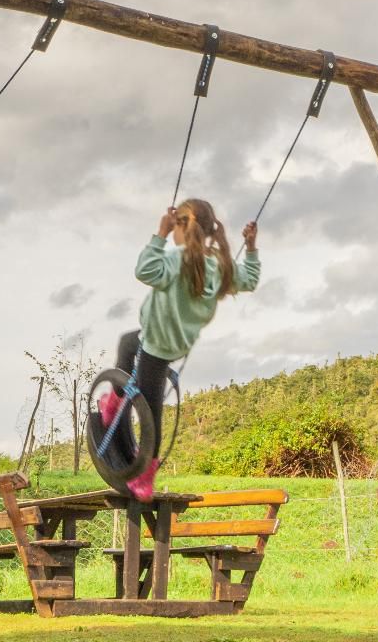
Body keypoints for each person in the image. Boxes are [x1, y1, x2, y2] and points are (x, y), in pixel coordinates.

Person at [101, 198, 259, 500]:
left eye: (175, 225)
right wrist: (250, 247)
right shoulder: (220, 263)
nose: (172, 229)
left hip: (156, 346)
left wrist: (159, 234)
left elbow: (145, 271)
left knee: (150, 410)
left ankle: (145, 475)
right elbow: (249, 279)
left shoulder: (178, 259)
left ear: (184, 226)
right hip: (175, 343)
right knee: (126, 342)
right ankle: (113, 402)